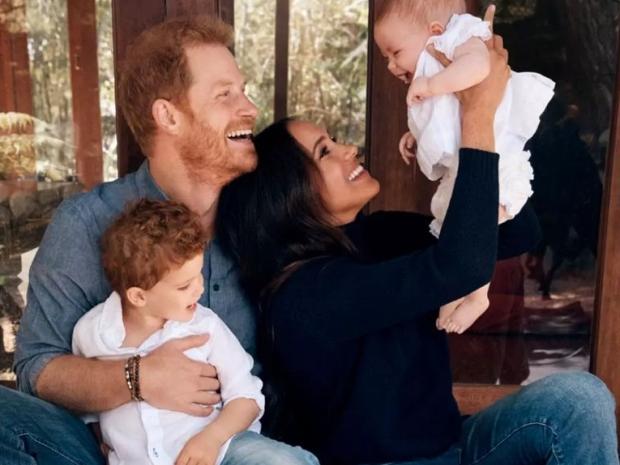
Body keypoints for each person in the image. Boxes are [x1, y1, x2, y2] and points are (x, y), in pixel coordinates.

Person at [216, 32, 619, 465]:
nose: (349, 150)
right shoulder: (304, 295)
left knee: (578, 398)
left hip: (456, 445)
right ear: (288, 195)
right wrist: (475, 117)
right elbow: (460, 266)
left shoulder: (379, 233)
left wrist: (458, 145)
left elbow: (514, 233)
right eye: (325, 151)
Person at [0, 16, 312, 465]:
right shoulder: (87, 223)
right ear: (168, 116)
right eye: (225, 95)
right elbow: (37, 369)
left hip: (230, 447)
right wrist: (136, 379)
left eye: (243, 91)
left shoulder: (258, 218)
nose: (249, 108)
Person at [71, 199, 317, 465]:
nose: (199, 289)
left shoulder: (204, 326)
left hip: (221, 453)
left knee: (279, 461)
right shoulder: (92, 334)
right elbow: (89, 408)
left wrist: (210, 441)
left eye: (199, 275)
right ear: (139, 297)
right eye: (184, 285)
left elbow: (247, 397)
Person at [373, 0, 555, 334]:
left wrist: (430, 86)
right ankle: (458, 288)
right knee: (454, 227)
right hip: (468, 162)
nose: (390, 65)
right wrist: (415, 136)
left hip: (497, 161)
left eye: (395, 52)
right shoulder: (437, 67)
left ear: (435, 32)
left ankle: (477, 294)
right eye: (386, 57)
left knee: (477, 227)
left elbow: (478, 69)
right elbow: (445, 118)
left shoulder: (461, 38)